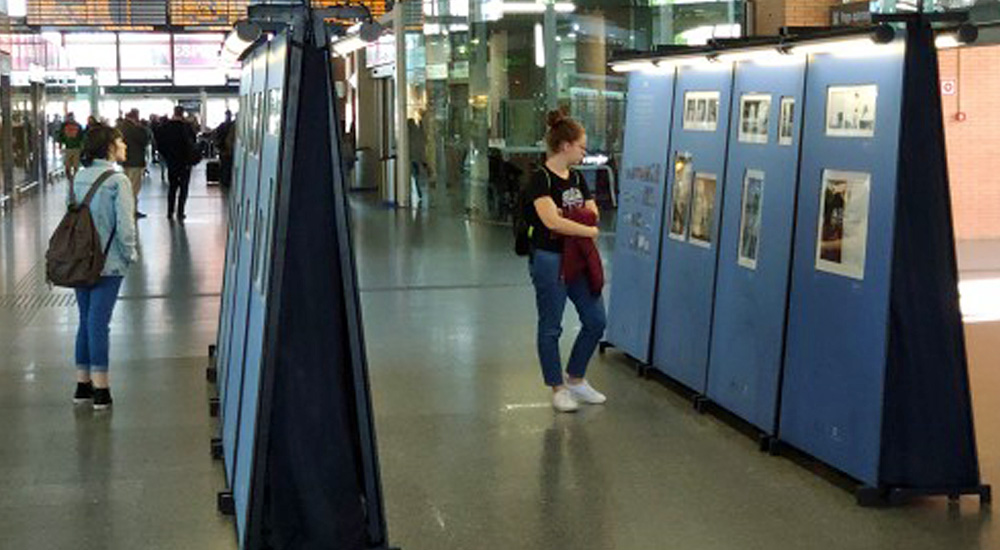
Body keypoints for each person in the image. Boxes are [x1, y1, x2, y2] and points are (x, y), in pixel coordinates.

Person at [525, 109, 607, 413]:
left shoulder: (576, 178)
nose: (585, 152)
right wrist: (586, 227)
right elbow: (551, 223)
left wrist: (571, 217)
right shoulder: (540, 180)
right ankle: (557, 387)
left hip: (578, 258)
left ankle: (576, 378)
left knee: (596, 320)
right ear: (565, 146)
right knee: (551, 326)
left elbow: (593, 211)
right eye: (582, 146)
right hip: (548, 258)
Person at [69, 124, 138, 411]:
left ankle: (82, 385)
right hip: (108, 264)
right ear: (109, 146)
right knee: (99, 323)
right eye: (120, 141)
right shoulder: (117, 181)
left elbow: (70, 215)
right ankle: (101, 389)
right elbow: (125, 225)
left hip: (80, 261)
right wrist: (129, 255)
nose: (124, 145)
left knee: (86, 320)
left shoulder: (79, 177)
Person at [156, 105, 198, 219]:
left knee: (172, 187)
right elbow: (193, 143)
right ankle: (180, 212)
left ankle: (170, 212)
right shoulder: (187, 128)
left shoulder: (165, 127)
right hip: (185, 162)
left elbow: (159, 144)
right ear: (182, 113)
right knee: (183, 188)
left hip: (172, 161)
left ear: (173, 112)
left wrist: (167, 156)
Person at [118, 109, 151, 218]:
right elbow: (144, 140)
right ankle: (132, 210)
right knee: (134, 187)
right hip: (135, 161)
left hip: (125, 160)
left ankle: (128, 209)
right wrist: (142, 128)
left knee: (128, 185)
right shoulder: (135, 128)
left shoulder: (121, 127)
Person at [58, 113, 85, 182]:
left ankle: (73, 177)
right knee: (68, 165)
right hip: (70, 147)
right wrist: (60, 145)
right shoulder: (64, 126)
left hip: (75, 147)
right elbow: (61, 136)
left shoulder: (77, 125)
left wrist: (82, 146)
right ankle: (70, 178)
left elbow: (82, 136)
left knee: (74, 164)